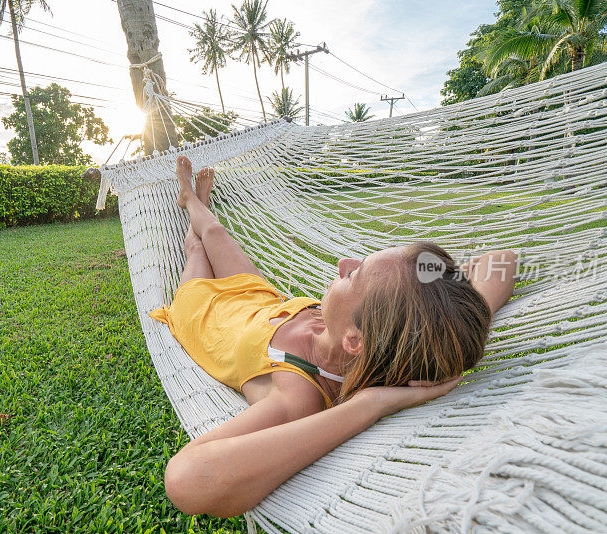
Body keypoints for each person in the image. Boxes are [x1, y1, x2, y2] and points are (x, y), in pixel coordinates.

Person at [152, 155, 518, 518]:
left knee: (199, 247)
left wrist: (370, 405)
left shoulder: (300, 395)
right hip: (260, 296)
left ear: (355, 341)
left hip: (204, 311)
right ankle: (196, 203)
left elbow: (187, 478)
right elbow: (502, 261)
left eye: (354, 276)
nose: (345, 262)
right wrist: (458, 319)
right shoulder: (396, 330)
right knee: (214, 232)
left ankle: (190, 200)